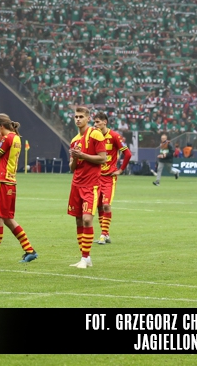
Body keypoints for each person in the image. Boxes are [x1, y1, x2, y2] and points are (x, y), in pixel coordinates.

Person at [0, 113, 38, 264]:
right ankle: (30, 250)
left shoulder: (7, 138)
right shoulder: (16, 137)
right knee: (8, 219)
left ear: (1, 126)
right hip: (11, 182)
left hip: (2, 182)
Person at [67, 106, 107, 269]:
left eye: (81, 116)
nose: (78, 119)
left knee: (87, 219)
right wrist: (75, 158)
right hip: (76, 184)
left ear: (88, 119)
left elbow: (103, 158)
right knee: (78, 220)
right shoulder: (74, 140)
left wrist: (82, 155)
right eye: (76, 117)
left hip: (91, 184)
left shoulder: (95, 134)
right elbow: (72, 167)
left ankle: (85, 257)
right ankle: (85, 257)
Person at [93, 112, 130, 245]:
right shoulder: (94, 136)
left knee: (106, 205)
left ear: (105, 122)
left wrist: (120, 170)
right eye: (94, 122)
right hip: (96, 177)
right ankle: (105, 234)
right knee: (99, 206)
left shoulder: (114, 136)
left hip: (109, 177)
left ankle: (103, 235)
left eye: (98, 122)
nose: (95, 124)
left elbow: (127, 154)